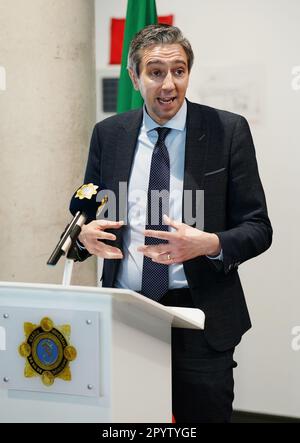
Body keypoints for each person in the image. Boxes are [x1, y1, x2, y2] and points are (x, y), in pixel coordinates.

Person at [73, 24, 272, 423]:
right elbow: (85, 208)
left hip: (199, 316)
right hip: (127, 313)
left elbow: (258, 227)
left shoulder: (227, 131)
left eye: (178, 71)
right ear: (135, 76)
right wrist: (83, 234)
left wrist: (209, 243)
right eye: (156, 72)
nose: (169, 85)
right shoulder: (109, 134)